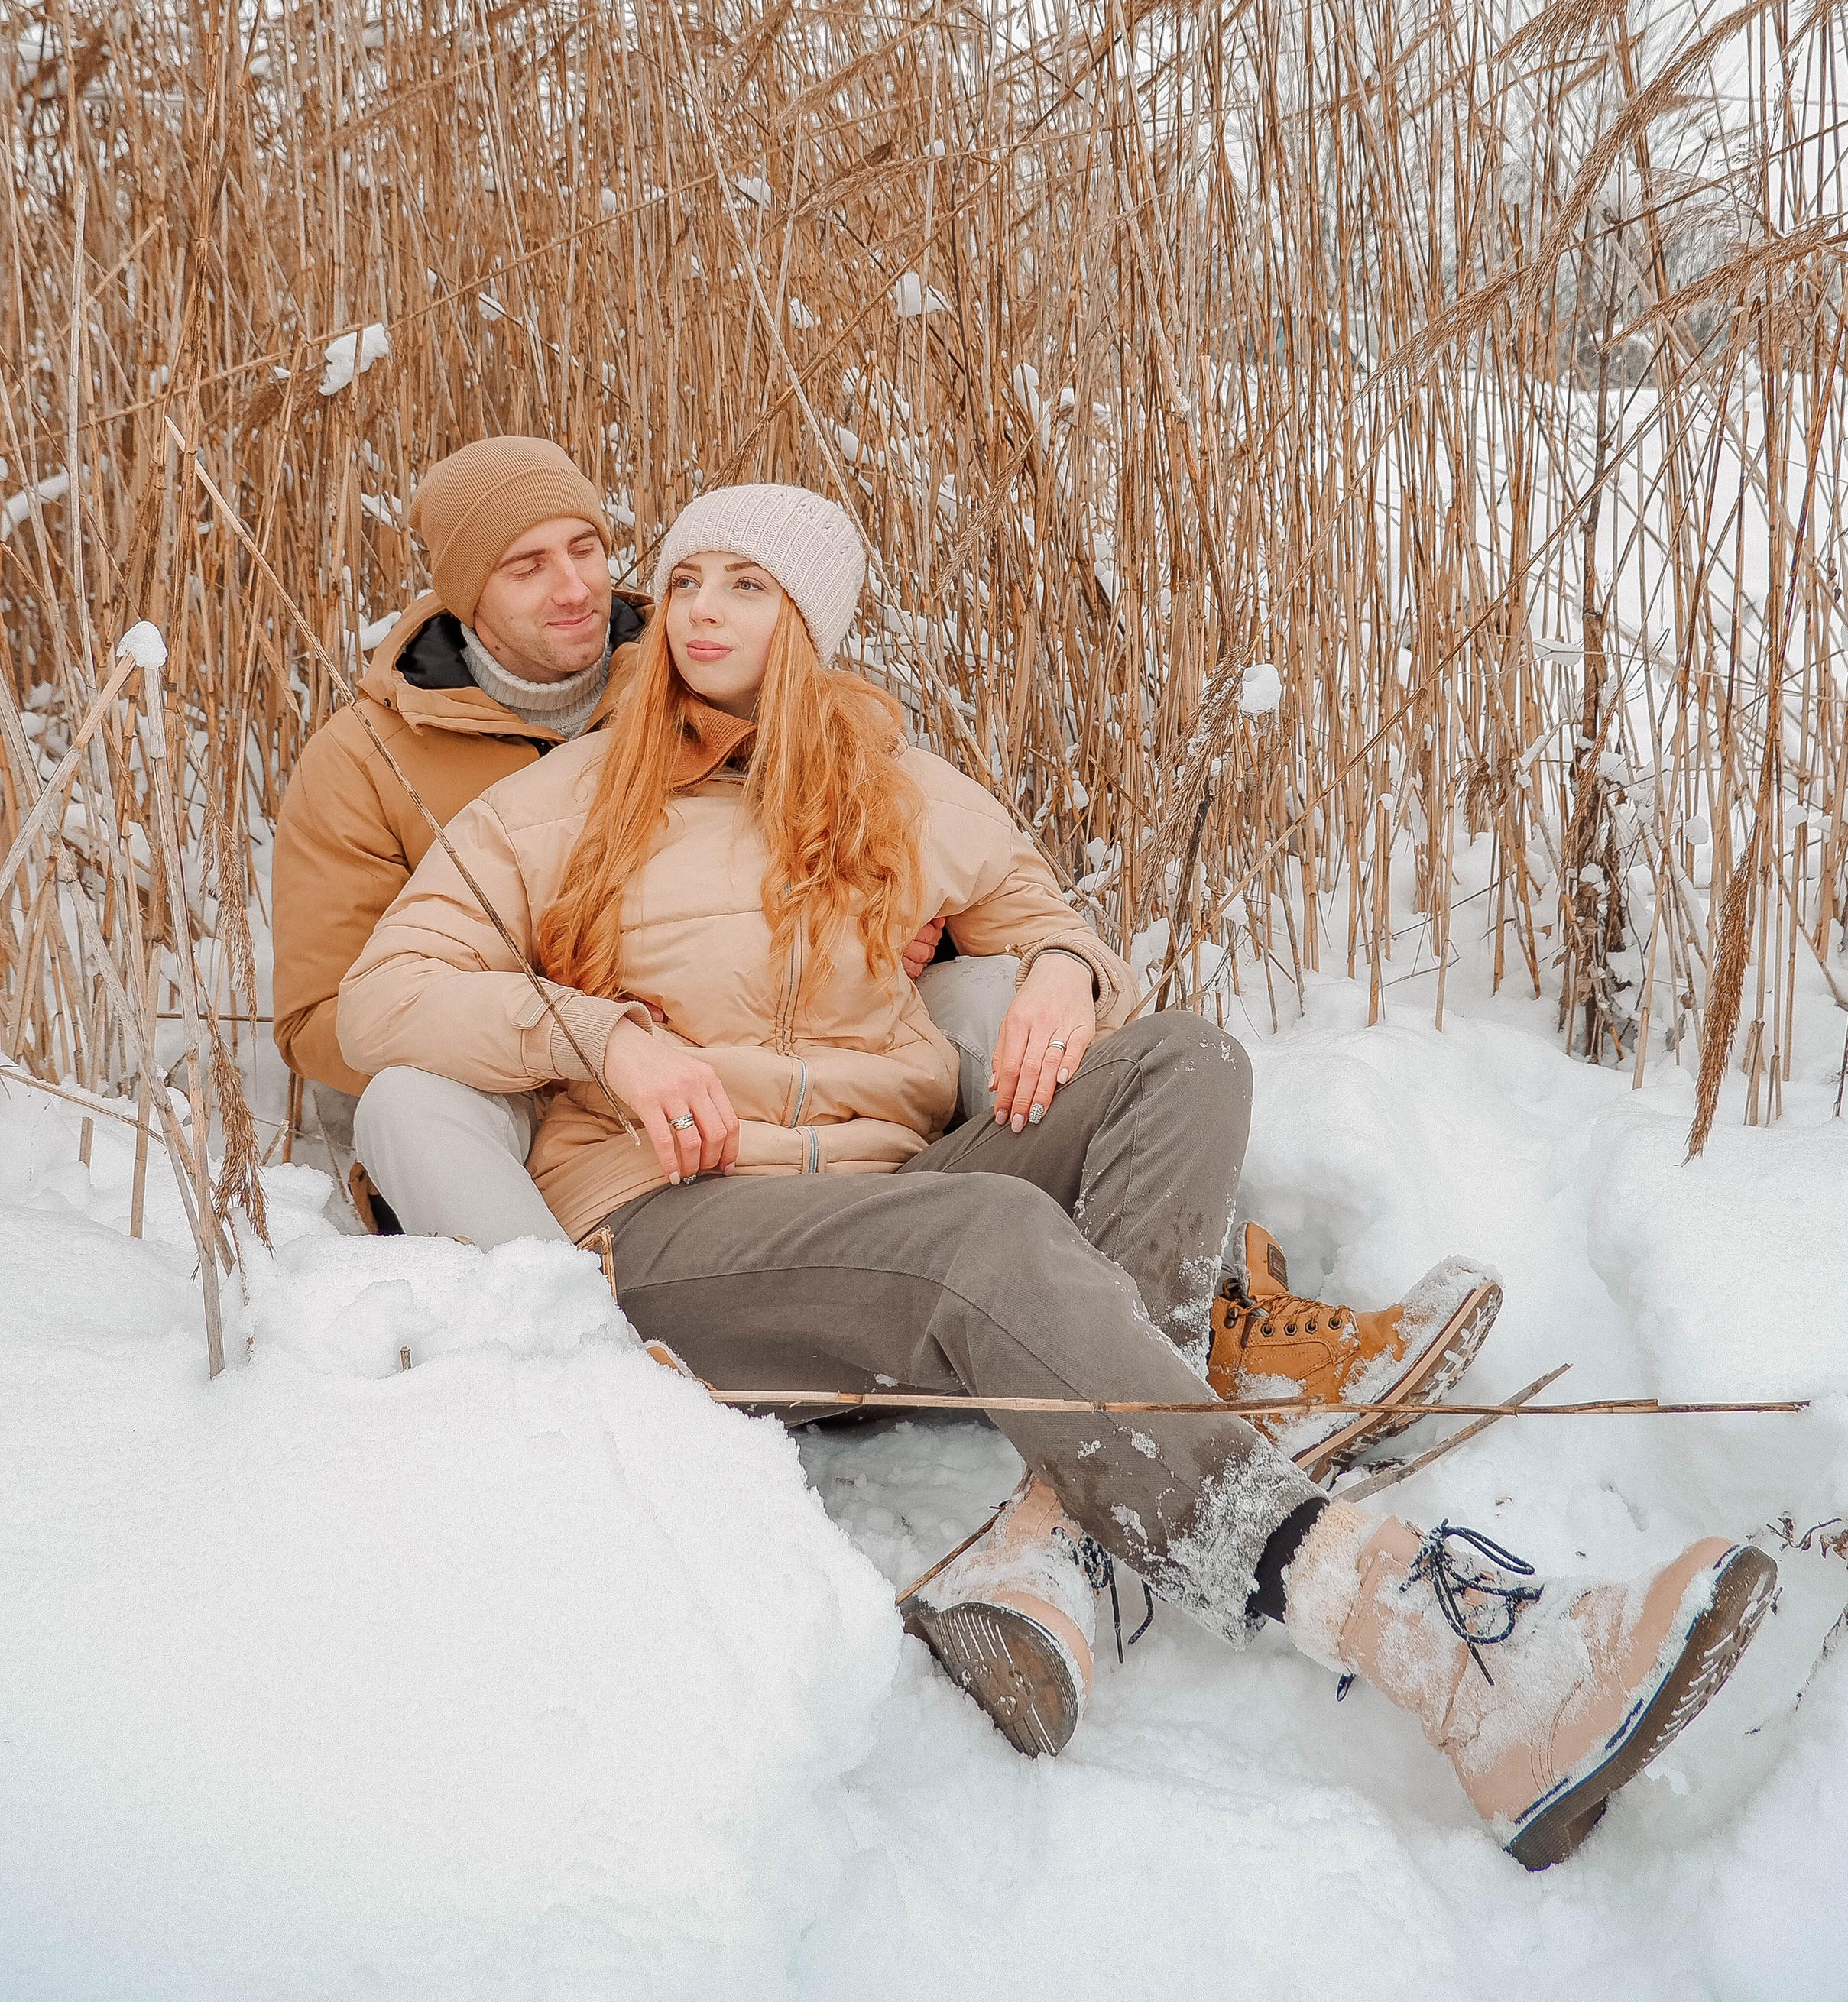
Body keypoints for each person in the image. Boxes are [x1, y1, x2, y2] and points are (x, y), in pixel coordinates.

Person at [337, 483, 1775, 1867]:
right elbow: (379, 1005)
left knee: (1186, 1061)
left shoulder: (897, 789)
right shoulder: (571, 801)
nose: (701, 610)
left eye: (750, 585)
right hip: (676, 1233)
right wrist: (609, 1040)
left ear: (814, 625)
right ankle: (1444, 1645)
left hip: (886, 1194)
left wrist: (1062, 982)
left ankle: (1057, 1536)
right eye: (693, 577)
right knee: (979, 1228)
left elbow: (1052, 917)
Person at [272, 435, 648, 1223]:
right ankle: (550, 1327)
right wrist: (548, 1034)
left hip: (712, 1054)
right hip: (509, 1099)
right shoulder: (365, 757)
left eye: (585, 548)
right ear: (465, 591)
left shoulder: (696, 686)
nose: (575, 587)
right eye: (527, 566)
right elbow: (321, 1021)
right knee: (407, 1100)